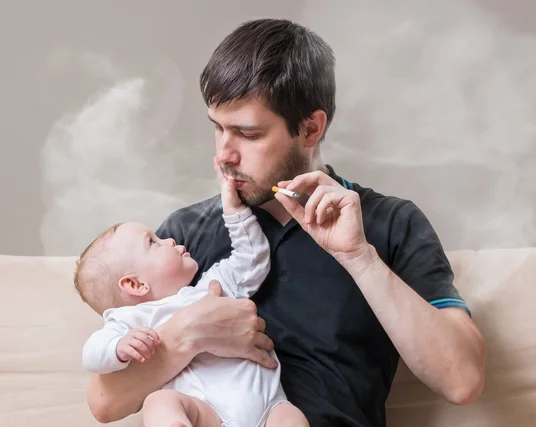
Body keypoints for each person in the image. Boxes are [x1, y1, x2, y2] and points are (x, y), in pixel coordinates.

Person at [86, 18, 487, 427]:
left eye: (248, 133)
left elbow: (462, 380)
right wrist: (187, 335)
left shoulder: (390, 223)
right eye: (218, 128)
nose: (225, 154)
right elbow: (104, 401)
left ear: (311, 128)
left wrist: (360, 259)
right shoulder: (185, 236)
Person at [75, 157, 309, 427]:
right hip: (208, 414)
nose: (170, 240)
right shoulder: (134, 321)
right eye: (153, 242)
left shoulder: (211, 286)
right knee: (161, 403)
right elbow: (91, 354)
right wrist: (118, 347)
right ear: (135, 285)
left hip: (268, 408)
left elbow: (252, 259)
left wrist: (235, 212)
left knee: (291, 417)